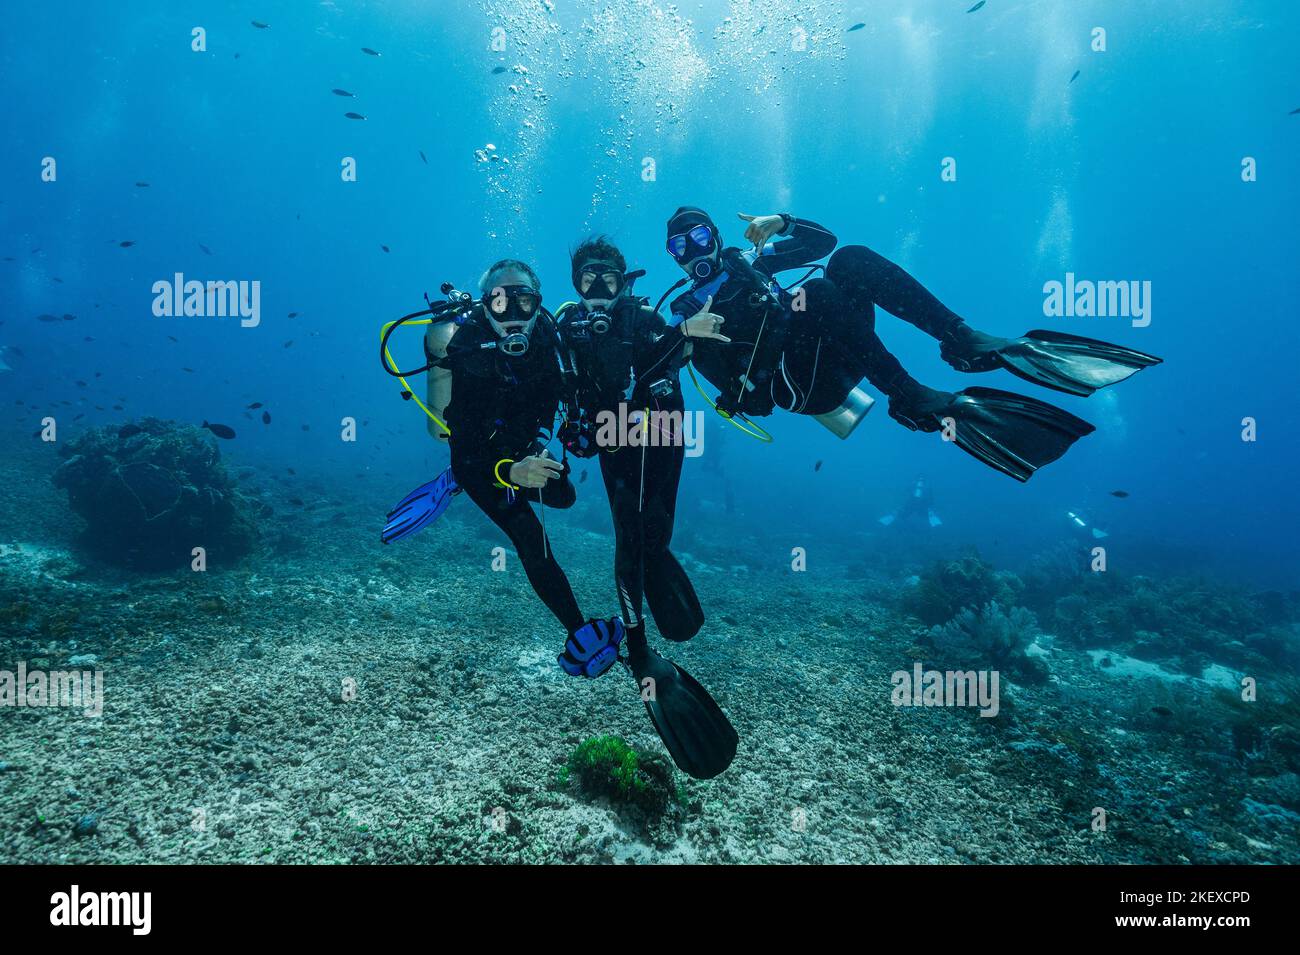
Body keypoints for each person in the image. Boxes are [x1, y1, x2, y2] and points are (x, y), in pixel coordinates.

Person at [664, 207, 1162, 481]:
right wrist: (691, 339)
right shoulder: (686, 313)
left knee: (851, 259)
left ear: (714, 237)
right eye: (679, 247)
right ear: (673, 258)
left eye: (700, 237)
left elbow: (824, 243)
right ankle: (908, 392)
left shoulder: (756, 265)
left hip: (843, 354)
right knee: (815, 291)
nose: (694, 253)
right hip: (799, 389)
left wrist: (784, 223)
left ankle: (962, 337)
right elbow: (735, 396)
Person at [555, 237, 738, 779]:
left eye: (607, 278)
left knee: (656, 529)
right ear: (575, 283)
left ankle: (656, 561)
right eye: (587, 278)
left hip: (663, 431)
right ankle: (639, 650)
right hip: (615, 443)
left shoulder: (645, 319)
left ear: (623, 280)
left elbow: (661, 358)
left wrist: (683, 334)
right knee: (629, 537)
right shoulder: (567, 328)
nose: (597, 290)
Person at [414, 259, 625, 676]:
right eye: (499, 301)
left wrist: (554, 441)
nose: (512, 315)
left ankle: (513, 475)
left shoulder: (550, 337)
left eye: (523, 302)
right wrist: (509, 472)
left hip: (524, 447)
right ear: (484, 306)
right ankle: (579, 631)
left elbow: (569, 398)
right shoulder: (467, 347)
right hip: (479, 459)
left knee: (564, 496)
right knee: (530, 535)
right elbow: (463, 446)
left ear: (537, 303)